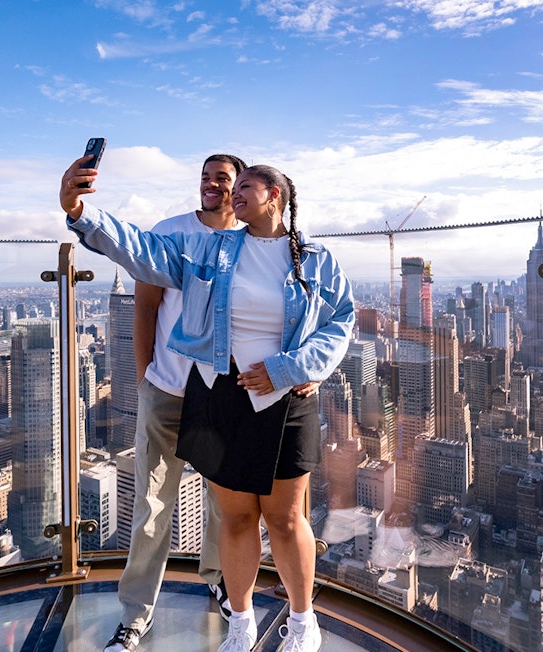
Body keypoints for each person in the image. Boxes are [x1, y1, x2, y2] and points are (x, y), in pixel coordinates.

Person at [60, 160, 354, 652]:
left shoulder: (317, 259)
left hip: (285, 402)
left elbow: (340, 322)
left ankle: (304, 626)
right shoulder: (210, 251)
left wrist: (296, 368)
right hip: (222, 398)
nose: (233, 194)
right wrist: (80, 211)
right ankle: (241, 626)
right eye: (230, 186)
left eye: (245, 186)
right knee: (236, 519)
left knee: (284, 520)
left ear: (275, 196)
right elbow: (143, 251)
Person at [102, 154, 243, 652]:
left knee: (224, 504)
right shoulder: (170, 232)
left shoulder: (250, 242)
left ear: (239, 186)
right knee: (151, 507)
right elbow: (145, 309)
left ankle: (221, 581)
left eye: (221, 179)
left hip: (222, 397)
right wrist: (145, 382)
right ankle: (135, 614)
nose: (210, 185)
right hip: (166, 391)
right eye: (205, 176)